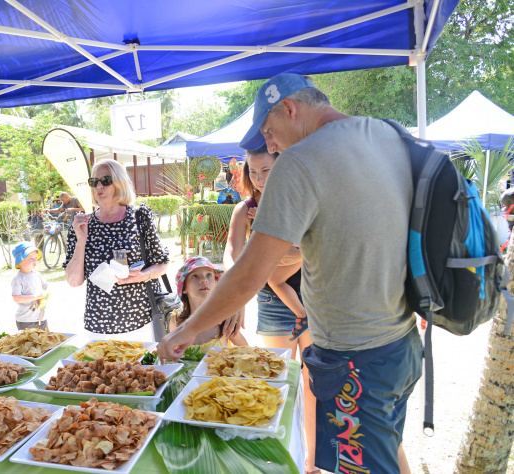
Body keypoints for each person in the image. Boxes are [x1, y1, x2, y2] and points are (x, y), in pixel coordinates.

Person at [158, 73, 421, 474]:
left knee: (364, 464)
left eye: (268, 131)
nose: (270, 145)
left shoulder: (301, 161)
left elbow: (249, 273)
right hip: (402, 341)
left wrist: (185, 329)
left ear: (291, 109)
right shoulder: (387, 134)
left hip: (355, 354)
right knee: (385, 446)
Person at [223, 146, 317, 473]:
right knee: (280, 384)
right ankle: (283, 459)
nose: (260, 179)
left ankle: (313, 461)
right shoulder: (245, 210)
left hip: (316, 300)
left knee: (314, 384)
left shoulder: (304, 200)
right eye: (254, 171)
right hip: (274, 304)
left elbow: (322, 244)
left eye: (267, 170)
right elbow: (232, 257)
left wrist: (285, 254)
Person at [63, 159, 169, 341]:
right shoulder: (82, 224)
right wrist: (81, 241)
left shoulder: (139, 216)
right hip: (99, 325)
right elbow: (74, 281)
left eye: (105, 180)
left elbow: (162, 264)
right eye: (93, 182)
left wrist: (143, 275)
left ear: (119, 182)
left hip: (142, 321)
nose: (99, 186)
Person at [170, 256, 248, 348]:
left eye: (209, 275)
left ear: (216, 282)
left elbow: (247, 351)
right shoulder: (176, 321)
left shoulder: (224, 319)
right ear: (184, 288)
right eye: (194, 276)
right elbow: (173, 355)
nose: (204, 280)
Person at [11, 242, 49, 331]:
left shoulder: (37, 275)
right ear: (20, 261)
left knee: (45, 341)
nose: (35, 261)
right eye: (30, 258)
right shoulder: (18, 279)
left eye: (36, 258)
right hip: (26, 320)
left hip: (41, 318)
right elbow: (17, 298)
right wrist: (35, 297)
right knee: (28, 343)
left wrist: (45, 293)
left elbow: (47, 286)